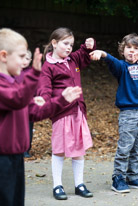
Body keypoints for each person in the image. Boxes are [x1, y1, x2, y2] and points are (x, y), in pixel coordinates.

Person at [0, 28, 82, 206]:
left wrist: (61, 100)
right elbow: (17, 99)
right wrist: (34, 74)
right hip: (2, 160)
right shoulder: (5, 87)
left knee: (16, 201)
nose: (25, 62)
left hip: (16, 158)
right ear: (4, 56)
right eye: (21, 57)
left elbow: (36, 113)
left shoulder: (18, 84)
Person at [90, 33, 138, 193]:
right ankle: (118, 178)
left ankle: (133, 176)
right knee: (125, 147)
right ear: (122, 51)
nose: (132, 51)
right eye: (128, 48)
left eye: (136, 48)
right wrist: (103, 54)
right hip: (128, 114)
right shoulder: (122, 67)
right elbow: (112, 61)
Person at [37, 27, 96, 200]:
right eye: (65, 43)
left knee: (79, 150)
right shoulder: (48, 67)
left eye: (71, 44)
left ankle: (79, 184)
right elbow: (44, 89)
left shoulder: (73, 60)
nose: (69, 47)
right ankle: (57, 186)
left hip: (78, 112)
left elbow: (83, 55)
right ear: (54, 43)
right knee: (60, 151)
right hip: (61, 113)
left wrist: (88, 46)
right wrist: (45, 101)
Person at [15, 50, 34, 158]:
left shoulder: (32, 72)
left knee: (28, 128)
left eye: (26, 59)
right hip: (15, 106)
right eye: (21, 58)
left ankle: (26, 149)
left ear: (30, 61)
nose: (23, 61)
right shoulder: (13, 72)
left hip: (29, 106)